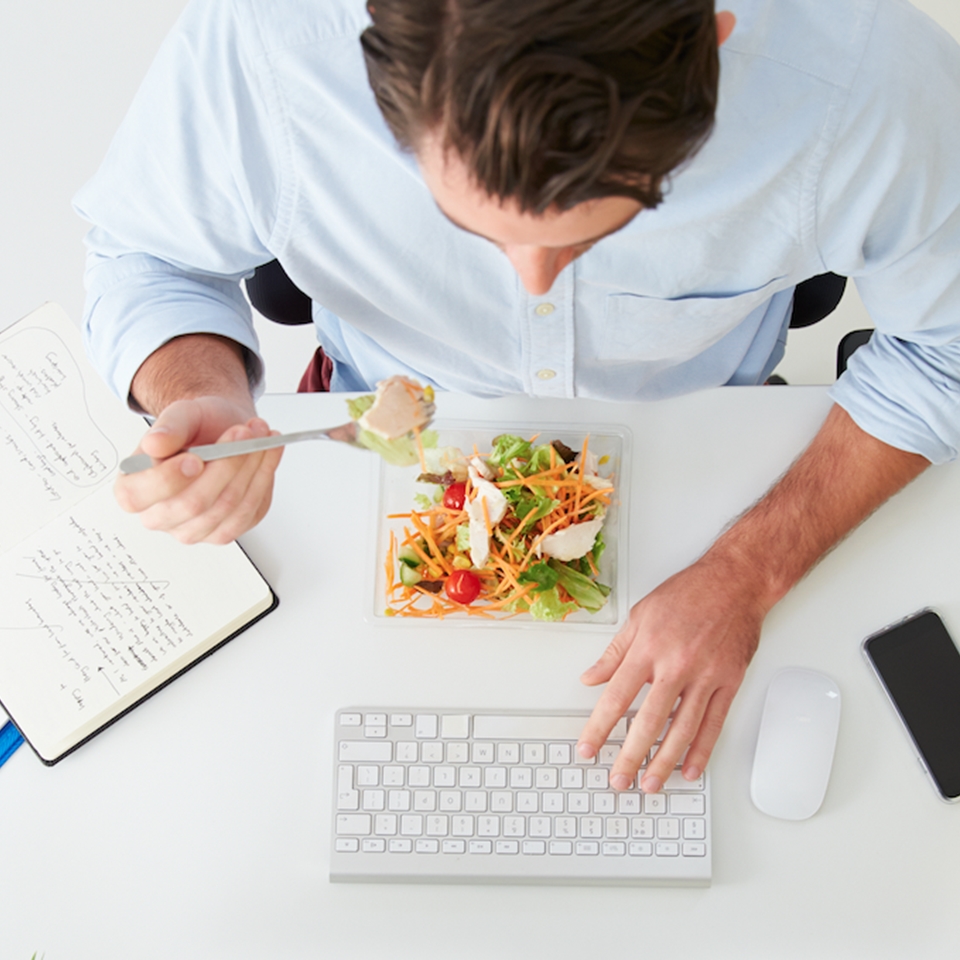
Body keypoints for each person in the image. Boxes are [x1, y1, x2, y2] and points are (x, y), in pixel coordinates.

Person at [73, 0, 960, 794]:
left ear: (713, 52)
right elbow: (147, 253)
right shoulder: (263, 47)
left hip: (713, 457)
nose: (533, 285)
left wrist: (748, 570)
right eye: (473, 229)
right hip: (366, 447)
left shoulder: (867, 82)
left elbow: (950, 353)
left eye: (604, 228)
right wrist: (200, 383)